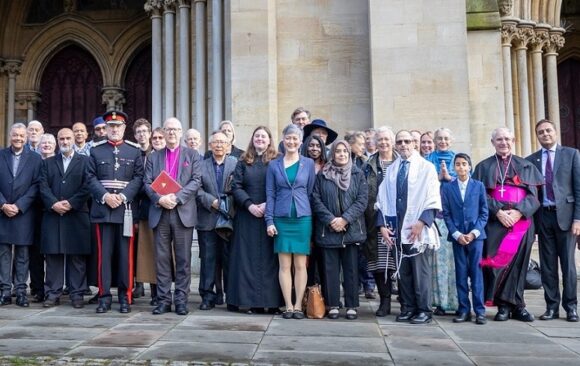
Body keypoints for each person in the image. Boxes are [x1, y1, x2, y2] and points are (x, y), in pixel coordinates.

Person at [472, 127, 542, 322]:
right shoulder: (483, 167)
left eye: (507, 139)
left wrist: (519, 212)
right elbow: (479, 195)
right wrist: (498, 212)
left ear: (514, 141)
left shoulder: (526, 166)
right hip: (496, 222)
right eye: (499, 139)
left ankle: (516, 306)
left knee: (519, 265)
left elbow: (535, 196)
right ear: (493, 142)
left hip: (522, 222)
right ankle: (502, 305)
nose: (504, 142)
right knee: (499, 264)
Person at [376, 130, 441, 324]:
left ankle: (424, 310)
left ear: (414, 143)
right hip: (397, 228)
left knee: (420, 273)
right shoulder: (393, 169)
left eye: (407, 141)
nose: (403, 144)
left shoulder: (426, 167)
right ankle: (408, 307)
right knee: (403, 273)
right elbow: (381, 199)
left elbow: (433, 198)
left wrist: (421, 223)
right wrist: (382, 226)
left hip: (418, 228)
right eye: (400, 141)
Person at [86, 110, 144, 314]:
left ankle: (125, 296)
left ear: (124, 128)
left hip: (125, 210)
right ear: (106, 128)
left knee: (125, 256)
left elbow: (138, 178)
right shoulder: (96, 150)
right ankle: (104, 296)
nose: (114, 130)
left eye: (118, 126)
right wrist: (105, 196)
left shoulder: (134, 150)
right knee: (104, 256)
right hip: (103, 209)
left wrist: (123, 196)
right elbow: (90, 178)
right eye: (111, 126)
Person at [144, 117, 201, 316]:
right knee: (162, 259)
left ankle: (181, 301)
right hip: (160, 213)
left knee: (184, 259)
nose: (171, 133)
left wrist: (176, 198)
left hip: (182, 212)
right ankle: (163, 300)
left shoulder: (192, 155)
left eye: (175, 129)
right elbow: (147, 182)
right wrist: (160, 199)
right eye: (168, 129)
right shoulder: (153, 157)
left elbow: (196, 181)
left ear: (181, 132)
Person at [526, 119, 580, 322]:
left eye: (548, 130)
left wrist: (578, 218)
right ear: (537, 136)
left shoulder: (571, 154)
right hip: (544, 217)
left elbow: (578, 188)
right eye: (541, 132)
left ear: (555, 132)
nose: (545, 134)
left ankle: (571, 307)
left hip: (566, 217)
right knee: (548, 266)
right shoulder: (531, 160)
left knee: (568, 266)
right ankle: (551, 307)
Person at [227, 126, 284, 314]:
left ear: (269, 141)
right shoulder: (243, 161)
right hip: (247, 215)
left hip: (271, 215)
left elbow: (281, 185)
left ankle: (272, 302)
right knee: (246, 259)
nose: (260, 139)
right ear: (252, 139)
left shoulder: (277, 160)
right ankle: (247, 301)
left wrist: (268, 204)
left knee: (271, 259)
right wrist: (250, 205)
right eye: (257, 136)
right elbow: (236, 186)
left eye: (264, 136)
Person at [312, 140, 368, 320]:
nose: (342, 154)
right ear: (332, 154)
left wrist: (345, 219)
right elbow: (316, 199)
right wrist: (330, 220)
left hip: (350, 229)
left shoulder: (358, 174)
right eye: (338, 151)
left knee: (351, 269)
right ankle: (333, 304)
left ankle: (352, 305)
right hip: (328, 229)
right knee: (330, 270)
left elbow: (362, 200)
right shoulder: (323, 175)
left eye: (345, 151)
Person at [266, 124, 316, 319]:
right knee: (284, 265)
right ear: (283, 139)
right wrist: (269, 221)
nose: (292, 142)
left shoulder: (308, 164)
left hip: (303, 219)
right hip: (281, 218)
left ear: (300, 141)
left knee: (301, 265)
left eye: (295, 138)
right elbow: (270, 194)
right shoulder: (274, 165)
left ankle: (298, 305)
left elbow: (310, 191)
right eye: (288, 138)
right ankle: (288, 305)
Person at [39, 128, 91, 309]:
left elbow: (88, 186)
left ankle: (77, 294)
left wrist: (70, 203)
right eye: (61, 138)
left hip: (76, 215)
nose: (65, 141)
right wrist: (54, 203)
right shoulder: (47, 163)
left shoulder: (85, 161)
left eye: (68, 138)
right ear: (57, 141)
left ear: (73, 140)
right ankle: (52, 293)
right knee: (53, 256)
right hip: (53, 215)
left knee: (77, 258)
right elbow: (43, 186)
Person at [442, 153, 489, 325]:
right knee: (461, 274)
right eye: (458, 164)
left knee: (476, 274)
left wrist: (474, 233)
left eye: (464, 164)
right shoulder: (448, 188)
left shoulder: (478, 186)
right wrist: (456, 234)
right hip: (458, 237)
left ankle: (480, 310)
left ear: (470, 167)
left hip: (475, 238)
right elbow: (446, 214)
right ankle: (463, 309)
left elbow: (484, 212)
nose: (461, 167)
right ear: (454, 168)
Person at [0, 123, 42, 307]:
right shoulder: (0, 155)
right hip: (2, 212)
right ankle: (5, 291)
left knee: (23, 255)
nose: (18, 138)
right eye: (15, 135)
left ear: (26, 138)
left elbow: (36, 185)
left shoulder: (35, 158)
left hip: (24, 212)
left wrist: (19, 205)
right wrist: (2, 204)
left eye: (21, 135)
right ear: (10, 136)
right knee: (3, 254)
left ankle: (21, 291)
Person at [196, 131, 238, 310]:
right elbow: (195, 189)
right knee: (208, 259)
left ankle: (232, 296)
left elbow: (240, 187)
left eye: (223, 142)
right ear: (210, 145)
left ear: (228, 146)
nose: (219, 145)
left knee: (230, 259)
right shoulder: (201, 165)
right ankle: (207, 296)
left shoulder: (236, 164)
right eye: (215, 142)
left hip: (230, 219)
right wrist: (211, 201)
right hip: (208, 219)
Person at [363, 126, 398, 317]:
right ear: (375, 143)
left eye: (387, 139)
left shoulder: (402, 162)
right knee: (379, 262)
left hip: (398, 220)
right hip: (374, 220)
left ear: (392, 141)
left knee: (397, 261)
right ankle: (384, 302)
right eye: (380, 139)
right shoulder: (368, 165)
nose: (383, 143)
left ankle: (405, 301)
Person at [425, 127, 458, 315]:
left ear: (451, 140)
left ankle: (453, 301)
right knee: (435, 263)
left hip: (454, 219)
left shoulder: (458, 159)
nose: (443, 141)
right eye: (439, 138)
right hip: (434, 219)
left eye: (446, 138)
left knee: (452, 264)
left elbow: (466, 184)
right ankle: (437, 302)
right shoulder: (428, 160)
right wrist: (437, 180)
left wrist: (449, 178)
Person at [345, 130, 374, 297]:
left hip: (362, 213)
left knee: (364, 252)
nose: (363, 147)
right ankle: (352, 285)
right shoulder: (342, 161)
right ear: (350, 145)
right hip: (345, 213)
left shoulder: (365, 163)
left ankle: (368, 283)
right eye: (360, 144)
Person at [132, 118, 157, 304]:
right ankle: (137, 285)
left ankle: (156, 289)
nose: (142, 135)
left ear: (149, 133)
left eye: (144, 131)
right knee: (136, 249)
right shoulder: (132, 154)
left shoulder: (156, 154)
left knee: (153, 249)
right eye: (138, 132)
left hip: (152, 206)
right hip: (134, 207)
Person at [301, 135, 327, 287]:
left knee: (323, 258)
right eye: (311, 145)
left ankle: (325, 298)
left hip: (323, 216)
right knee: (307, 258)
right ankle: (308, 297)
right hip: (305, 213)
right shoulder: (300, 164)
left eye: (318, 146)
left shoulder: (328, 166)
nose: (314, 149)